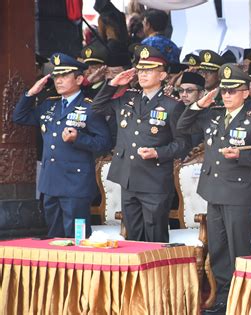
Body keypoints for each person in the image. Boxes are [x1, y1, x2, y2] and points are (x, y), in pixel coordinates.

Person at [176, 64, 251, 313]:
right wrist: (199, 104)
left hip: (238, 194)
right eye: (225, 91)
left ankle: (244, 298)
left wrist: (240, 157)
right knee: (218, 248)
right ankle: (222, 296)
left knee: (238, 247)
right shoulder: (214, 115)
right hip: (213, 190)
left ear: (245, 93)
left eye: (233, 91)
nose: (227, 96)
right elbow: (183, 125)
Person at [91, 45, 189, 242]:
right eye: (141, 70)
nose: (143, 74)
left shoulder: (172, 105)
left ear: (162, 76)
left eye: (149, 70)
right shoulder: (128, 97)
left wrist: (158, 152)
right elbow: (96, 108)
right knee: (133, 237)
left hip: (154, 181)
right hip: (128, 177)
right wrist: (113, 84)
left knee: (154, 239)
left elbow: (183, 144)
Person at [13, 53, 112, 237]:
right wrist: (30, 94)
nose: (59, 81)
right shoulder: (49, 105)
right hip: (51, 183)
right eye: (56, 76)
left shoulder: (90, 107)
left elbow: (104, 144)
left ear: (79, 79)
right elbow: (19, 117)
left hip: (76, 185)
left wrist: (79, 138)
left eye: (64, 76)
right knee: (54, 238)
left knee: (77, 240)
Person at [178, 72, 206, 147]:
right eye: (181, 90)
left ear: (201, 94)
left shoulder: (208, 113)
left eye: (189, 91)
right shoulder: (176, 108)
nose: (184, 95)